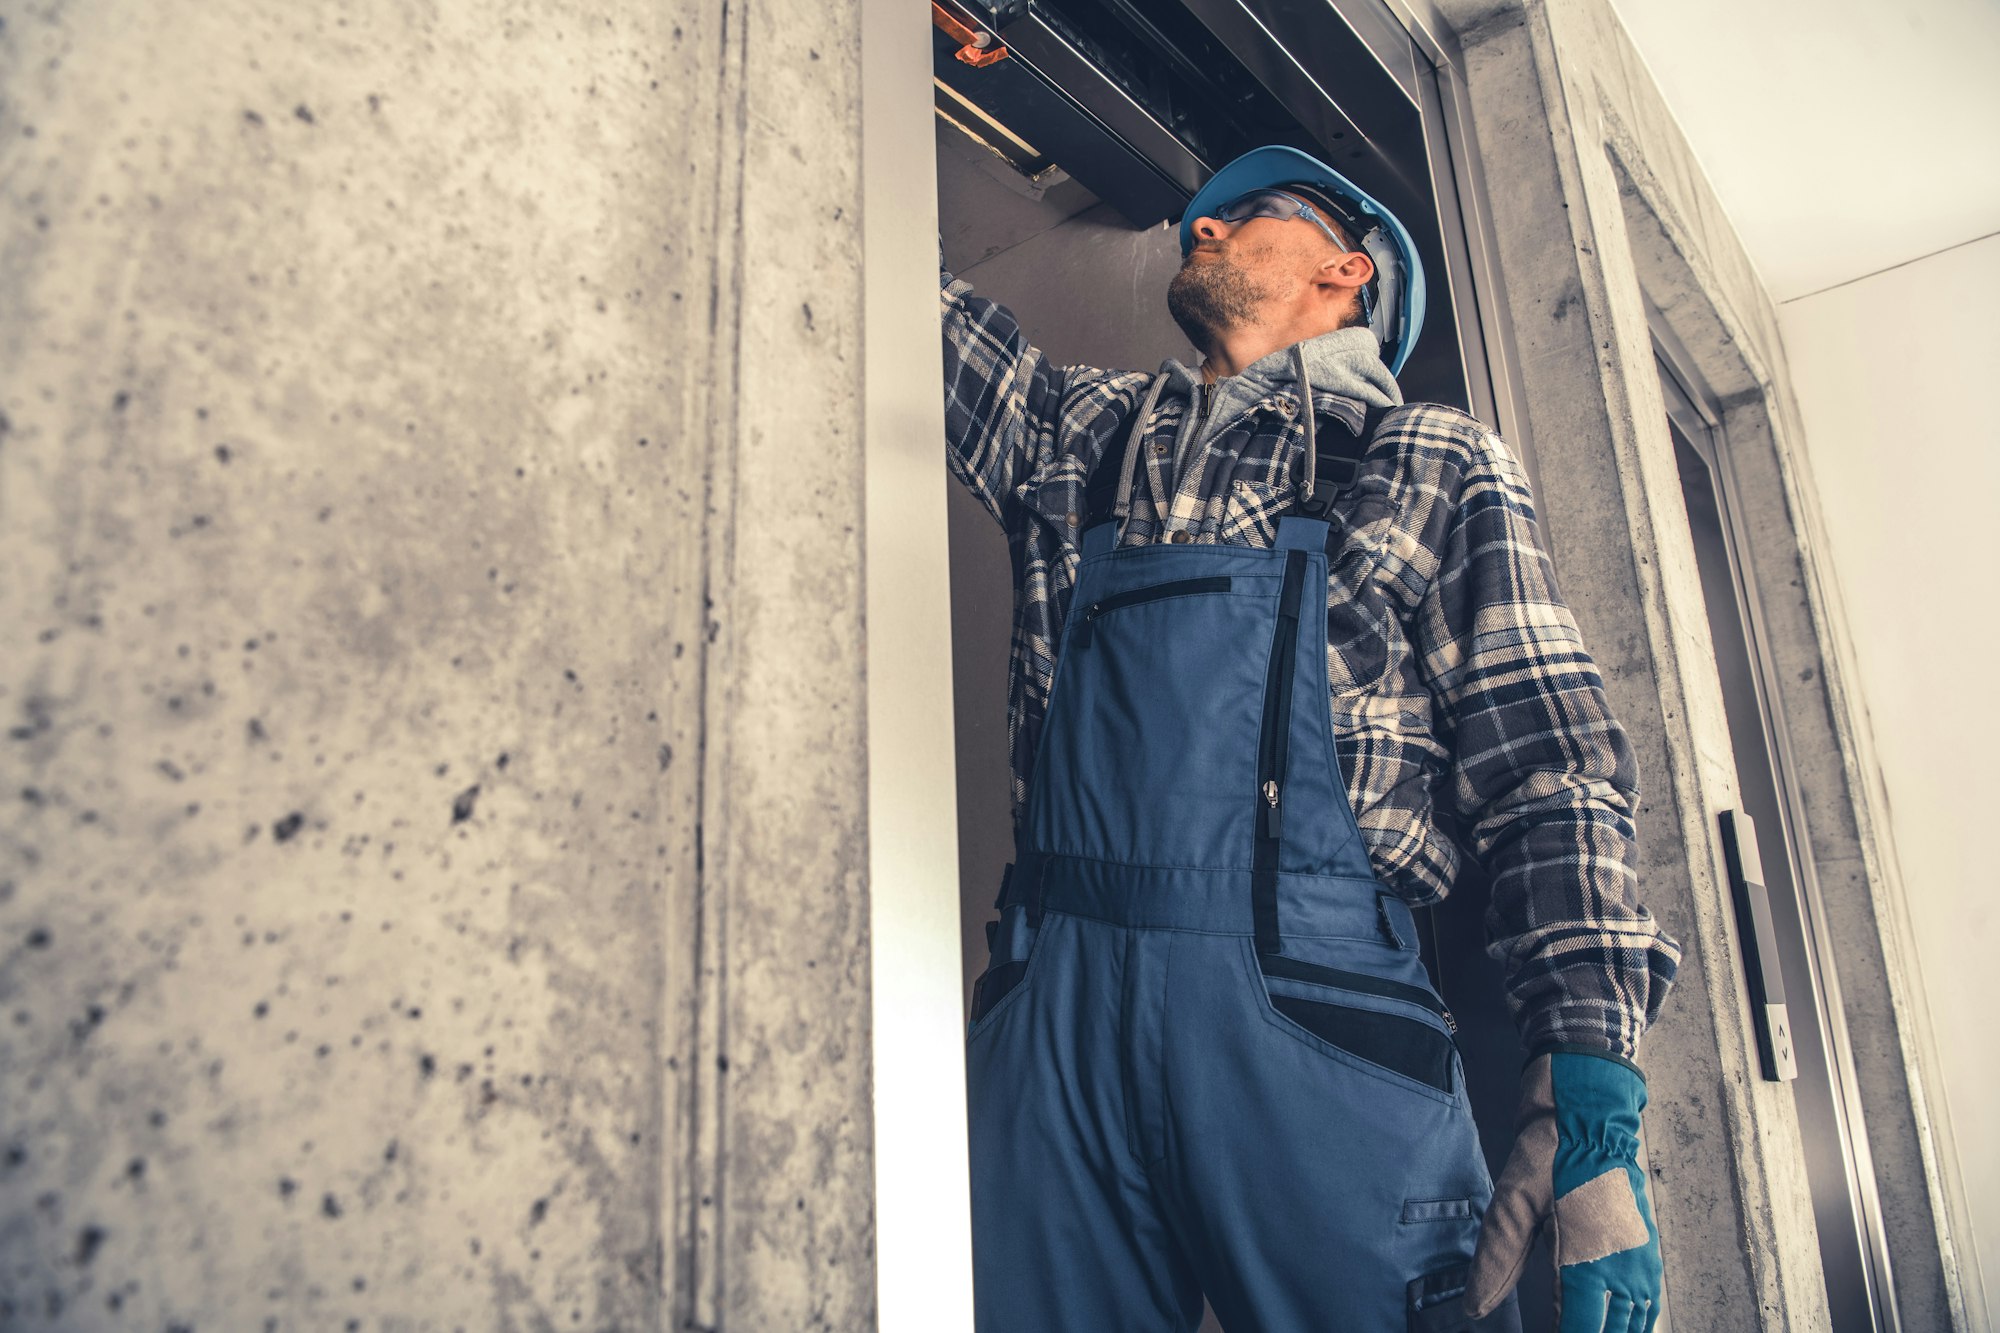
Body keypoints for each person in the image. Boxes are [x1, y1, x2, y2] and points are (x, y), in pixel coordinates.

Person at [941, 144, 1681, 1333]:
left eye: (1244, 215)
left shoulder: (1427, 457)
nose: (1200, 228)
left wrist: (1586, 1101)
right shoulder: (1077, 433)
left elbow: (1547, 771)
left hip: (1314, 1009)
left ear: (1346, 268)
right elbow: (891, 288)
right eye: (1200, 219)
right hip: (1051, 1009)